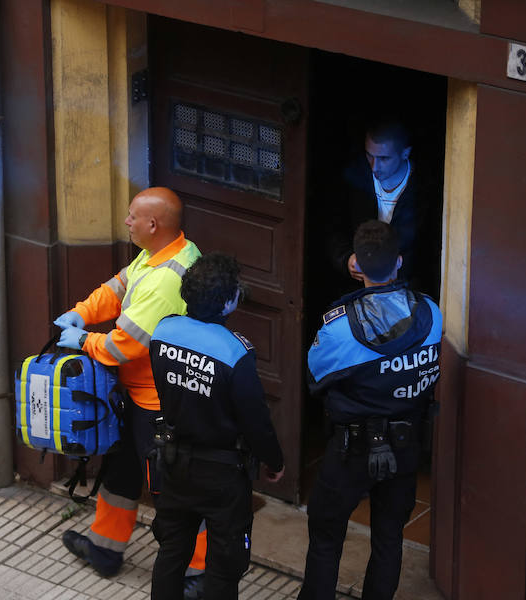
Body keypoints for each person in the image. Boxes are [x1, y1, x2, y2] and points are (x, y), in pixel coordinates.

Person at [55, 187, 205, 587]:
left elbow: (125, 344)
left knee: (173, 488)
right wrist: (82, 312)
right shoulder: (164, 253)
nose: (126, 222)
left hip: (162, 402)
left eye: (132, 216)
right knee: (121, 470)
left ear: (152, 225)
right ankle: (105, 549)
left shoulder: (166, 281)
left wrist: (84, 340)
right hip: (140, 395)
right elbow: (118, 287)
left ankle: (199, 573)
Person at [299, 220, 442, 600]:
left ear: (356, 266)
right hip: (406, 444)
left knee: (326, 536)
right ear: (398, 262)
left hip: (351, 449)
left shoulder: (339, 327)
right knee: (389, 537)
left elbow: (315, 377)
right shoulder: (431, 314)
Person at [148, 253, 285, 600]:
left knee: (171, 553)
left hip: (174, 464)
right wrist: (275, 461)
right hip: (222, 475)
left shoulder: (163, 332)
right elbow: (256, 420)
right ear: (228, 303)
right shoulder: (235, 353)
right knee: (224, 566)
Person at [325, 116, 439, 296]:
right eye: (369, 156)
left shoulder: (425, 191)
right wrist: (347, 259)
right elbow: (333, 228)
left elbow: (430, 252)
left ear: (405, 153)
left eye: (384, 158)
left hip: (405, 294)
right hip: (356, 291)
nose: (374, 166)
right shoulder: (353, 178)